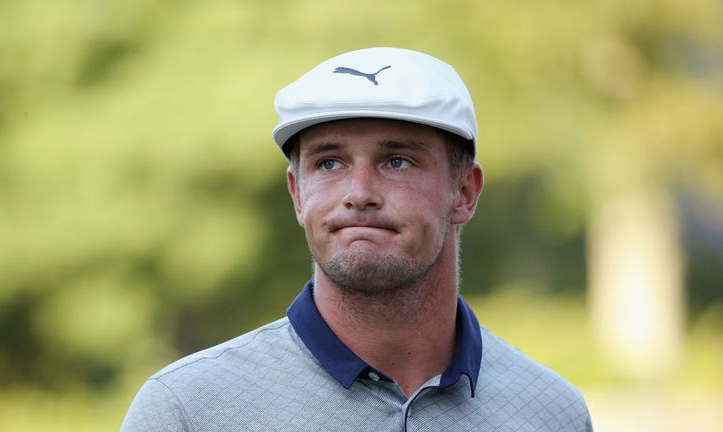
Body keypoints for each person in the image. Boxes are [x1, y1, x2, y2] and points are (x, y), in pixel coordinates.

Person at [121, 47, 593, 431]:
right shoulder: (187, 411)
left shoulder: (551, 414)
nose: (359, 194)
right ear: (297, 194)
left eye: (398, 161)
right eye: (329, 163)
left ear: (464, 192)